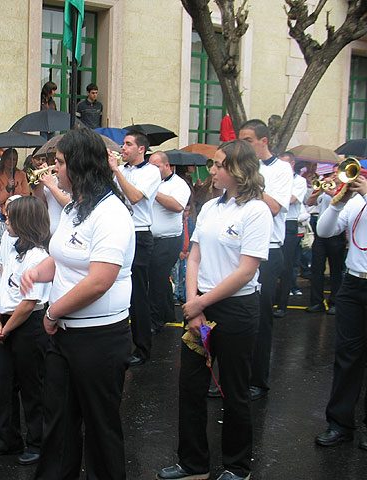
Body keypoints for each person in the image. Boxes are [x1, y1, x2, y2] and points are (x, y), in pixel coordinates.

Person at [21, 128, 135, 479]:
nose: (53, 171)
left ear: (80, 166)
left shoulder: (112, 214)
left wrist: (54, 310)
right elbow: (65, 257)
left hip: (99, 339)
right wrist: (38, 272)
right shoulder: (74, 208)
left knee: (101, 430)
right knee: (58, 426)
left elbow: (99, 280)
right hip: (64, 339)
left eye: (58, 163)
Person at [156, 139, 272, 480]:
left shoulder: (256, 211)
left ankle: (237, 466)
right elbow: (194, 255)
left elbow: (246, 271)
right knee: (191, 386)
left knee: (234, 390)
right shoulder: (210, 208)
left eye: (219, 165)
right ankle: (192, 464)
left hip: (236, 310)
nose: (213, 170)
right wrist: (193, 306)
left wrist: (200, 303)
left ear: (239, 170)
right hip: (201, 307)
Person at [0, 196, 51, 466]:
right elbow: (4, 289)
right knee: (5, 383)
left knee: (33, 386)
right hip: (8, 322)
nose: (6, 221)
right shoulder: (12, 249)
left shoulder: (38, 257)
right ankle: (6, 438)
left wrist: (6, 328)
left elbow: (28, 303)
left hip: (28, 325)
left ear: (25, 221)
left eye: (10, 218)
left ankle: (38, 441)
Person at [238, 119, 292, 401]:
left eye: (247, 140)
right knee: (232, 315)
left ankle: (258, 379)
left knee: (260, 318)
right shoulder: (240, 167)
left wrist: (250, 181)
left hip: (268, 251)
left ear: (263, 141)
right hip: (238, 248)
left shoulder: (281, 169)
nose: (243, 145)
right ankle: (232, 376)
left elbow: (273, 207)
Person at [314, 175, 367, 451]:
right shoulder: (355, 201)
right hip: (353, 283)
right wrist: (337, 203)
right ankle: (339, 424)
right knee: (347, 355)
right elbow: (324, 231)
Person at [109, 132, 161, 366]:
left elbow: (135, 197)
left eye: (129, 144)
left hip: (140, 234)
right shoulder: (123, 169)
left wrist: (117, 171)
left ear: (141, 149)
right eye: (124, 144)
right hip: (120, 230)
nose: (124, 148)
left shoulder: (151, 171)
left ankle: (142, 348)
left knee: (137, 292)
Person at [148, 151, 192, 334]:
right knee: (158, 277)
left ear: (167, 166)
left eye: (157, 166)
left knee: (157, 278)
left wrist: (152, 191)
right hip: (150, 238)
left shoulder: (179, 185)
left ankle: (155, 319)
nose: (153, 170)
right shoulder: (148, 180)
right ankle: (166, 313)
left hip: (169, 239)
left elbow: (177, 206)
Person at [306, 166, 346, 315]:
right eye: (333, 172)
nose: (334, 175)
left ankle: (335, 302)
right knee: (316, 269)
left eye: (337, 173)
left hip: (337, 233)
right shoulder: (326, 187)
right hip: (321, 234)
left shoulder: (345, 189)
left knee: (336, 270)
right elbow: (310, 202)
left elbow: (339, 197)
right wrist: (319, 190)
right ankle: (316, 302)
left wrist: (327, 189)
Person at [273, 151, 307, 318]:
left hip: (289, 223)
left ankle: (282, 305)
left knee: (286, 266)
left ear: (292, 164)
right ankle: (272, 300)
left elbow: (290, 199)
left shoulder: (299, 182)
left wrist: (274, 195)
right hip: (275, 222)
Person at [0, 148, 30, 217]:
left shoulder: (21, 175)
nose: (11, 162)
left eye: (14, 159)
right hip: (1, 213)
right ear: (4, 159)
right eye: (9, 159)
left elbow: (26, 196)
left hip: (18, 212)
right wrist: (7, 188)